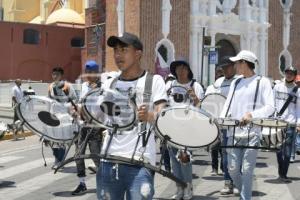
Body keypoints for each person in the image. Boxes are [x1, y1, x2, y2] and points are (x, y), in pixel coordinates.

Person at [96, 32, 167, 200]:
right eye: (115, 50)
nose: (118, 55)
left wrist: (150, 115)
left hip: (139, 163)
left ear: (138, 53)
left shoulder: (154, 80)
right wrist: (79, 110)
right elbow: (97, 115)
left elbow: (162, 113)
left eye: (123, 49)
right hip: (108, 160)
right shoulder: (109, 83)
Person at [220, 50, 275, 200]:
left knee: (247, 170)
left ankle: (245, 198)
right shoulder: (236, 82)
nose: (235, 65)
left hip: (252, 133)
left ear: (244, 63)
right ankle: (245, 194)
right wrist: (221, 120)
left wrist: (252, 115)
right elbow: (227, 105)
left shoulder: (262, 82)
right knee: (232, 170)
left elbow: (270, 107)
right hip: (233, 133)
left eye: (237, 62)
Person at [166, 58, 204, 200]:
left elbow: (202, 108)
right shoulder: (170, 85)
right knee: (174, 162)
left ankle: (188, 187)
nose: (180, 71)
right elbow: (164, 104)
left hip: (188, 128)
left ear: (188, 70)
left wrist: (195, 98)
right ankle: (179, 188)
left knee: (185, 159)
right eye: (177, 68)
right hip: (171, 127)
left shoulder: (196, 85)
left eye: (183, 68)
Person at [205, 56, 238, 194]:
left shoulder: (239, 80)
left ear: (233, 66)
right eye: (223, 68)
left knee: (236, 155)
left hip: (237, 124)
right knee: (224, 154)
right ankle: (228, 183)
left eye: (227, 67)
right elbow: (214, 101)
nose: (224, 70)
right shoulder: (219, 82)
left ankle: (237, 182)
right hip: (223, 124)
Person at [71, 60, 103, 195]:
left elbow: (104, 107)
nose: (89, 74)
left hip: (96, 126)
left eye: (92, 72)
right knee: (79, 155)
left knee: (96, 156)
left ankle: (103, 182)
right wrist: (76, 111)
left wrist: (97, 119)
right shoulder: (84, 86)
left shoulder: (103, 87)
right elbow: (81, 104)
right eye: (87, 72)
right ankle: (82, 183)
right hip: (83, 126)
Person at [274, 66, 300, 181]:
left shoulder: (298, 91)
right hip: (278, 122)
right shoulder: (277, 87)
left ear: (294, 76)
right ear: (285, 74)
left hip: (291, 123)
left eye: (291, 73)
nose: (289, 75)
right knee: (279, 149)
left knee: (288, 151)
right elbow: (272, 102)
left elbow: (299, 108)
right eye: (287, 73)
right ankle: (281, 171)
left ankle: (283, 174)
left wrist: (298, 123)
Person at [48, 67, 77, 169]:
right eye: (53, 74)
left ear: (61, 75)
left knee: (62, 140)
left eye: (57, 74)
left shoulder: (68, 86)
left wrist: (70, 110)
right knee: (53, 140)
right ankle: (57, 159)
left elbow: (75, 99)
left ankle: (60, 160)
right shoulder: (50, 86)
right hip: (53, 116)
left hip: (65, 117)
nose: (54, 76)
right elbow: (49, 100)